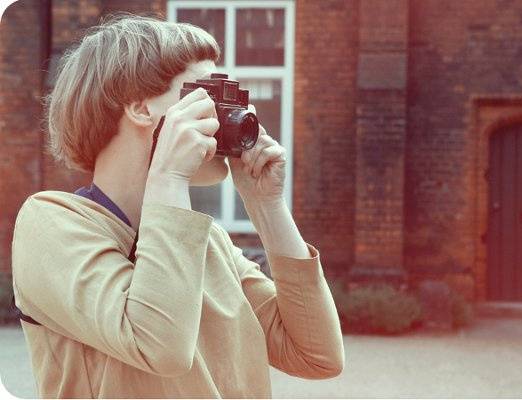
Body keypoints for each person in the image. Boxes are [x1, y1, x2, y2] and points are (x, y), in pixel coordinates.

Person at [10, 14, 344, 398]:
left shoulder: (207, 243)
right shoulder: (51, 223)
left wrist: (266, 206)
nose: (224, 118)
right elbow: (160, 345)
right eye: (207, 96)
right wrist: (168, 176)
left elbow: (317, 355)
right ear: (139, 107)